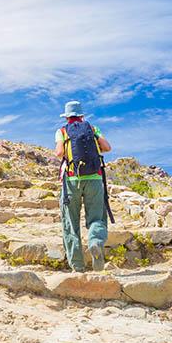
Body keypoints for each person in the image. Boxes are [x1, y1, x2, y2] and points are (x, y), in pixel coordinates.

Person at [54, 100, 112, 272]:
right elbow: (107, 148)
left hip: (72, 180)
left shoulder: (62, 131)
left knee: (70, 223)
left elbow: (59, 153)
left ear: (67, 117)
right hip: (95, 179)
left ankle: (77, 266)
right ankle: (95, 241)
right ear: (82, 115)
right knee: (97, 218)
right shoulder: (93, 129)